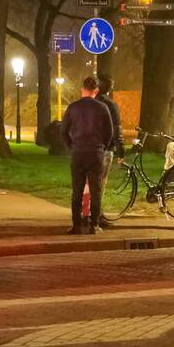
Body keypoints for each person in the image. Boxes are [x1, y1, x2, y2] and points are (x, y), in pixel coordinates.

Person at [61, 76, 114, 235]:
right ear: (96, 91)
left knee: (77, 190)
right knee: (96, 190)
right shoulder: (102, 108)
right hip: (96, 152)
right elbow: (109, 132)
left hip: (78, 152)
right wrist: (102, 146)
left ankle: (76, 225)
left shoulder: (73, 108)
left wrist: (72, 145)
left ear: (82, 89)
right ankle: (94, 225)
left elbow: (63, 131)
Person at [96, 74, 125, 229]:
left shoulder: (90, 103)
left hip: (88, 149)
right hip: (105, 149)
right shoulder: (110, 105)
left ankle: (87, 213)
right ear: (110, 88)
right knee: (100, 183)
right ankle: (97, 215)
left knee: (89, 182)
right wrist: (121, 150)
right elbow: (116, 129)